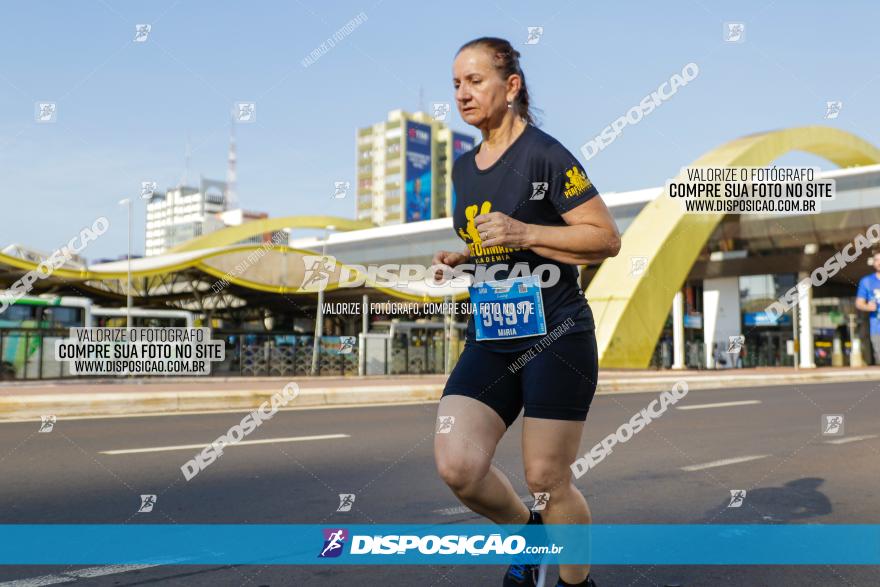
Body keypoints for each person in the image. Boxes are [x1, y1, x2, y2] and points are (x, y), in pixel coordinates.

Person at [432, 37, 621, 587]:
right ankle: (530, 538)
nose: (463, 95)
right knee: (458, 466)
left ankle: (576, 582)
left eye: (475, 81)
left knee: (546, 477)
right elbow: (496, 244)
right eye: (456, 85)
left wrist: (524, 231)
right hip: (492, 336)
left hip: (557, 333)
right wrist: (464, 257)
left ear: (511, 86)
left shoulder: (545, 154)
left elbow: (605, 238)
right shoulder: (463, 170)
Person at [855, 251, 880, 365]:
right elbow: (859, 303)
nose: (879, 262)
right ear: (873, 263)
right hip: (877, 328)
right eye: (876, 260)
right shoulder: (867, 281)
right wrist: (868, 306)